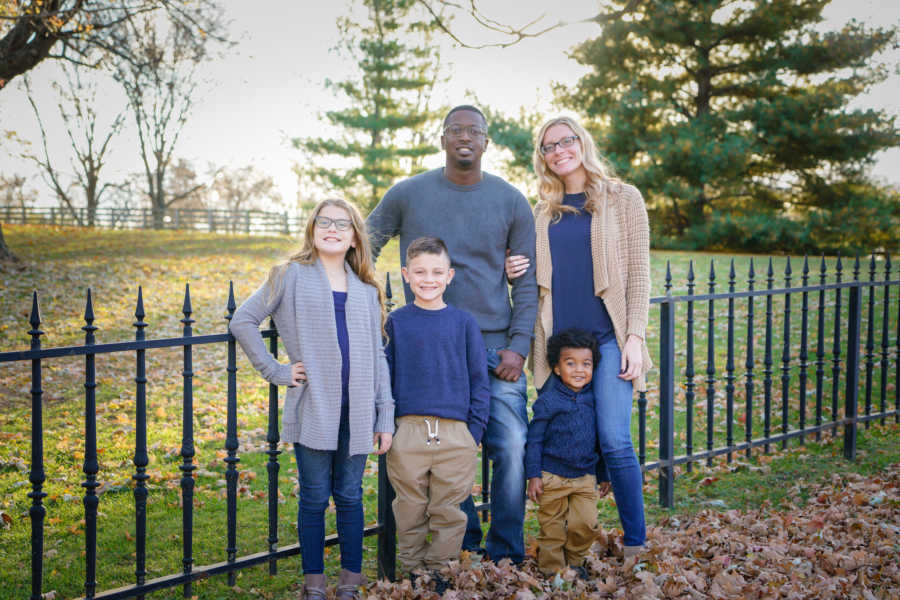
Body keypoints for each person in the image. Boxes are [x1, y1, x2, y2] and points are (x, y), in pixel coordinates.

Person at [367, 105, 538, 565]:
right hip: (430, 346)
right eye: (455, 130)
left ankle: (505, 552)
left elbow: (527, 283)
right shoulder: (407, 194)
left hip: (494, 346)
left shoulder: (510, 200)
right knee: (440, 450)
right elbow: (364, 244)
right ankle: (460, 545)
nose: (465, 137)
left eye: (474, 131)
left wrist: (519, 347)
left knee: (513, 448)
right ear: (442, 139)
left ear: (486, 142)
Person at [229, 198, 394, 600]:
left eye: (343, 223)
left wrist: (384, 415)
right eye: (325, 222)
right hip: (314, 406)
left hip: (356, 412)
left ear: (356, 236)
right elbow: (243, 321)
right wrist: (278, 372)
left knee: (351, 497)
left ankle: (350, 584)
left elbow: (377, 356)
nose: (333, 229)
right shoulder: (289, 276)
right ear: (313, 229)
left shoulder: (366, 290)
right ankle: (315, 585)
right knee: (315, 497)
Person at [506, 116, 652, 557]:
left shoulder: (624, 199)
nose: (559, 150)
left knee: (613, 439)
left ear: (581, 143)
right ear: (543, 158)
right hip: (559, 350)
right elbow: (528, 274)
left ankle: (636, 543)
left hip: (607, 340)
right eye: (549, 146)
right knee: (561, 444)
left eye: (566, 140)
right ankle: (566, 545)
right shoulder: (540, 212)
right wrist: (509, 268)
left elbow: (639, 271)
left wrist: (635, 336)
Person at [384, 236, 491, 578]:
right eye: (419, 272)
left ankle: (440, 575)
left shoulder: (463, 323)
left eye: (436, 271)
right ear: (406, 274)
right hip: (409, 432)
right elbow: (384, 379)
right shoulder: (396, 323)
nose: (428, 279)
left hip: (455, 434)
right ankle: (414, 574)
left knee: (449, 511)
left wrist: (472, 431)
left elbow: (479, 380)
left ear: (450, 275)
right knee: (409, 509)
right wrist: (390, 427)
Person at [525, 329, 610, 576]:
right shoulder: (548, 402)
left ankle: (574, 563)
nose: (578, 370)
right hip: (551, 476)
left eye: (586, 364)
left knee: (585, 524)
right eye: (570, 363)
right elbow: (535, 439)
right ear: (557, 368)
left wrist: (604, 474)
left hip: (584, 477)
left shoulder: (596, 400)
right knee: (551, 529)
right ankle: (553, 573)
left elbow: (600, 442)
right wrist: (534, 475)